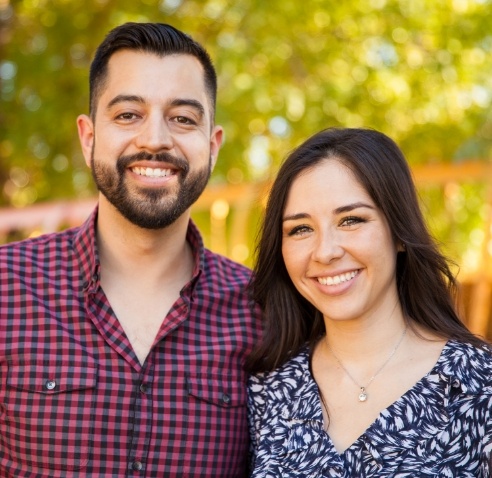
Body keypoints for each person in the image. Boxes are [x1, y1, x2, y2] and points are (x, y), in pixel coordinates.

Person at [0, 22, 260, 477]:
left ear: (213, 146)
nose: (155, 139)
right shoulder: (7, 288)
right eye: (127, 115)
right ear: (88, 137)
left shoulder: (264, 311)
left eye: (183, 118)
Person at [246, 127, 492, 477]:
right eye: (301, 229)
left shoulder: (479, 383)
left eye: (351, 220)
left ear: (399, 234)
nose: (326, 252)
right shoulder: (265, 391)